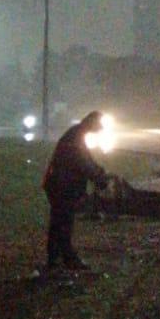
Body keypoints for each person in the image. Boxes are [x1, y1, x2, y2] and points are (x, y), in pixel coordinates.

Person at [42, 110, 109, 271]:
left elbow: (86, 159)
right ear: (91, 122)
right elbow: (82, 162)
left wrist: (98, 170)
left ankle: (56, 258)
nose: (98, 130)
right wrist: (98, 177)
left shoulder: (76, 134)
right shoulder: (76, 137)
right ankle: (65, 258)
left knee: (59, 222)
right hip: (62, 186)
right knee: (63, 222)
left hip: (59, 184)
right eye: (98, 126)